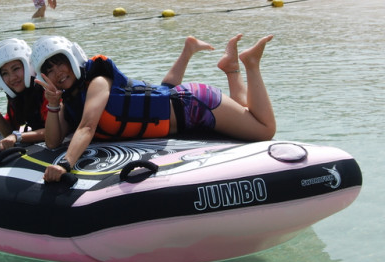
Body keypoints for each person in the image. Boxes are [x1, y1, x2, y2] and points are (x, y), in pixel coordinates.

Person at [33, 34, 276, 183]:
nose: (57, 73)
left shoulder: (97, 82)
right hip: (182, 106)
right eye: (49, 70)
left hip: (194, 105)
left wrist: (65, 164)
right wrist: (53, 104)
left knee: (264, 130)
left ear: (72, 59)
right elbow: (53, 141)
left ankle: (250, 63)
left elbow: (87, 127)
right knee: (244, 112)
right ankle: (231, 67)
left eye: (60, 63)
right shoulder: (70, 100)